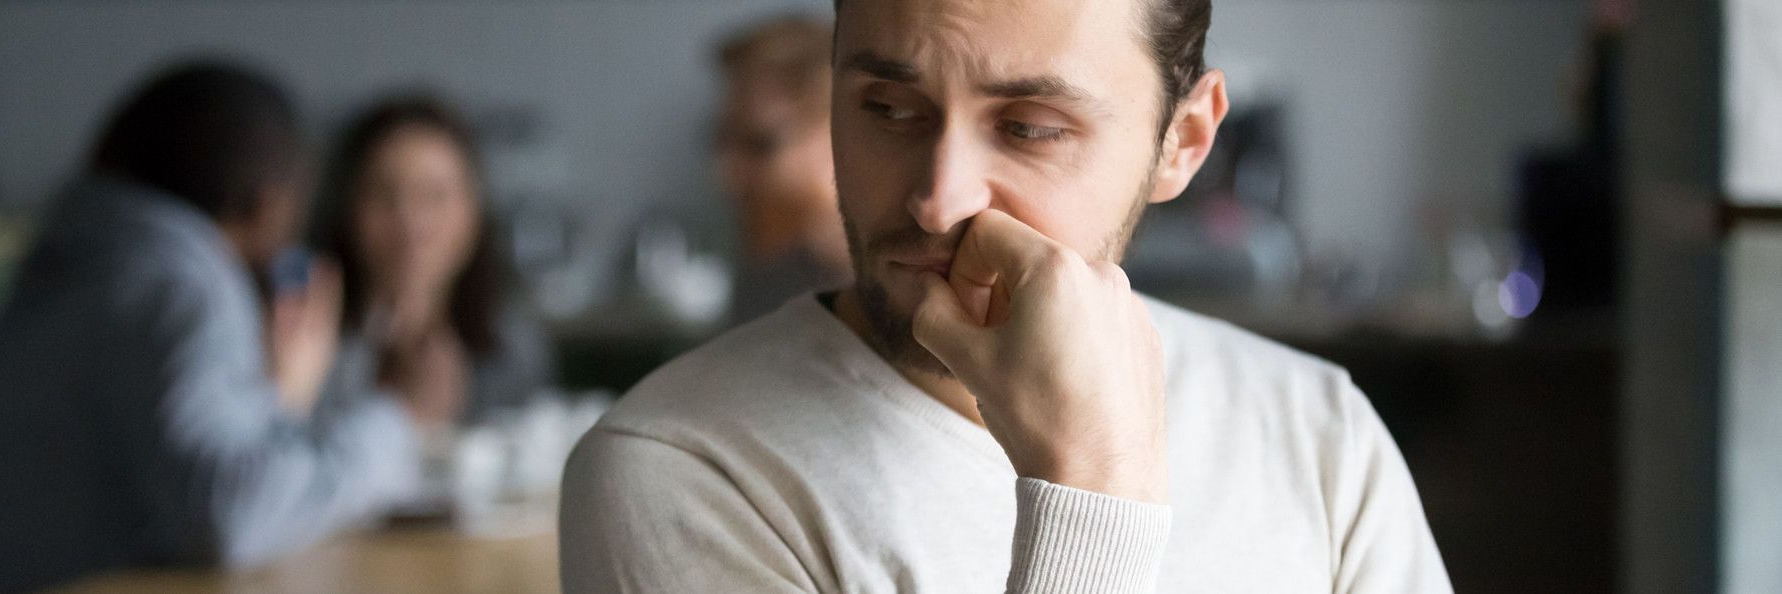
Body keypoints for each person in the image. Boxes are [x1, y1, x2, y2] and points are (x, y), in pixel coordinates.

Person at [559, 0, 1453, 592]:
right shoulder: (681, 471)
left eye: (1028, 128)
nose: (938, 199)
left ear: (1182, 142)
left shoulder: (1317, 432)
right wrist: (1091, 494)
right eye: (888, 110)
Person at [0, 62, 432, 594]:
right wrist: (395, 418)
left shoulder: (95, 259)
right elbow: (229, 519)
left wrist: (278, 398)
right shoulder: (178, 283)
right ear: (268, 200)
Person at [311, 95, 558, 433]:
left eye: (433, 195)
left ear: (474, 213)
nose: (410, 221)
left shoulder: (513, 345)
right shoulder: (307, 343)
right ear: (347, 210)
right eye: (384, 194)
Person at [712, 16, 852, 323]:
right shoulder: (766, 279)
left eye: (760, 145)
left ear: (844, 136)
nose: (727, 178)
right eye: (722, 144)